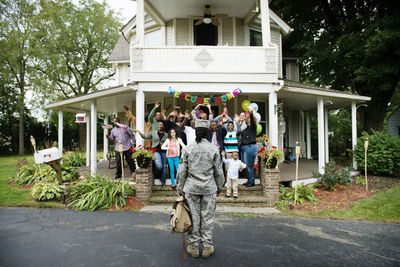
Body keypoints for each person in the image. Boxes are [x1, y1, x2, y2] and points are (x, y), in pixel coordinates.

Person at [176, 119, 224, 259]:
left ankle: (194, 247)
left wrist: (180, 187)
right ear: (207, 132)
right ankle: (207, 247)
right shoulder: (213, 149)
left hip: (191, 189)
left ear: (196, 132)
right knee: (207, 217)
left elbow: (182, 171)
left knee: (193, 217)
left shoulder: (189, 149)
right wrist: (219, 187)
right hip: (209, 188)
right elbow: (219, 172)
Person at [134, 121, 168, 186]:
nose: (159, 126)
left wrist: (165, 145)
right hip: (155, 151)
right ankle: (157, 173)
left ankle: (163, 182)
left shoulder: (166, 134)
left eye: (160, 125)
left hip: (164, 152)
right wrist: (139, 133)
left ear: (163, 126)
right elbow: (145, 136)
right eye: (158, 125)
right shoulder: (153, 132)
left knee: (164, 167)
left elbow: (170, 142)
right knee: (159, 166)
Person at [240, 108, 258, 187]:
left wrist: (251, 112)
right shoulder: (246, 129)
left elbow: (253, 121)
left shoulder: (253, 127)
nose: (248, 122)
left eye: (249, 120)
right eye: (247, 121)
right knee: (245, 165)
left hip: (250, 147)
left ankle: (252, 181)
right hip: (244, 148)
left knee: (249, 165)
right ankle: (249, 180)